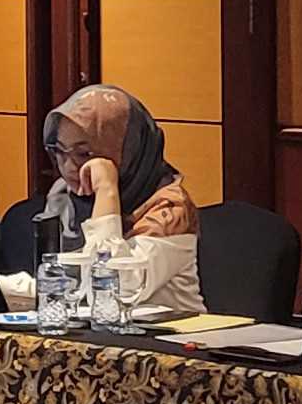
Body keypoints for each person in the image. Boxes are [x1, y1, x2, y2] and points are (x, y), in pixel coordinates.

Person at [34, 80, 204, 316]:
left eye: (84, 154)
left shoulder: (169, 206)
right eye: (60, 151)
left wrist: (107, 190)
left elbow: (114, 290)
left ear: (127, 150)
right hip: (95, 333)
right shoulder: (64, 196)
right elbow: (66, 285)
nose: (69, 166)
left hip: (175, 335)